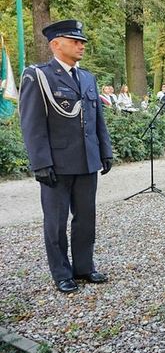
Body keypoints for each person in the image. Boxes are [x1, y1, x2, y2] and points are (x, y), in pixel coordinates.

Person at [19, 19, 113, 293]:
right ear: (55, 44)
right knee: (56, 222)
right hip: (57, 164)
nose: (81, 45)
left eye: (82, 41)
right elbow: (32, 123)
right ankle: (61, 273)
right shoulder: (38, 76)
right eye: (75, 41)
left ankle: (84, 267)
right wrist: (41, 162)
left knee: (86, 217)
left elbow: (97, 120)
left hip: (86, 161)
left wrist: (104, 151)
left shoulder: (87, 78)